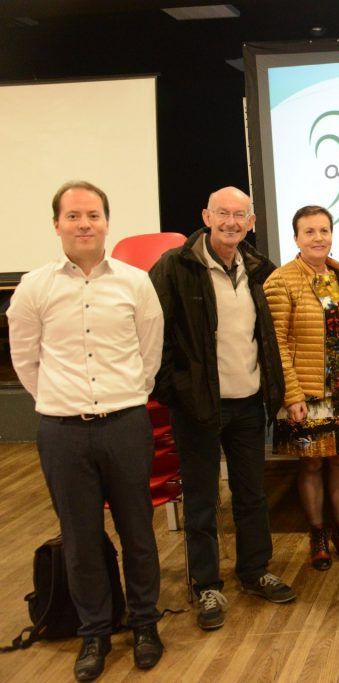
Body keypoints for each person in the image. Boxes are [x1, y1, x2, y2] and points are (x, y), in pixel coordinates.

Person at [8, 181, 165, 680]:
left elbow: (150, 354)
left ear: (106, 222)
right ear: (56, 224)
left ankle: (144, 623)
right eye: (73, 216)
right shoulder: (34, 286)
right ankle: (94, 632)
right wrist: (60, 401)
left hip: (124, 425)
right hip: (62, 431)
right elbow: (25, 360)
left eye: (93, 215)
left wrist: (123, 398)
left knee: (138, 532)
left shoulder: (135, 283)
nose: (83, 224)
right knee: (79, 539)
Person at [150, 186, 294, 632]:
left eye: (240, 215)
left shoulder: (257, 269)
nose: (231, 222)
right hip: (198, 409)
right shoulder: (176, 267)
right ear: (206, 216)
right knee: (201, 501)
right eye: (222, 214)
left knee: (252, 494)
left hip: (249, 403)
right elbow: (152, 336)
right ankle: (206, 585)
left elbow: (265, 338)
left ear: (251, 222)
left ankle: (254, 570)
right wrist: (177, 391)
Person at [263, 206, 339, 572]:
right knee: (311, 464)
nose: (318, 237)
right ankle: (318, 534)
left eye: (324, 230)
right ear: (295, 238)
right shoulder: (281, 280)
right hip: (307, 393)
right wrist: (291, 395)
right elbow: (276, 344)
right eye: (309, 231)